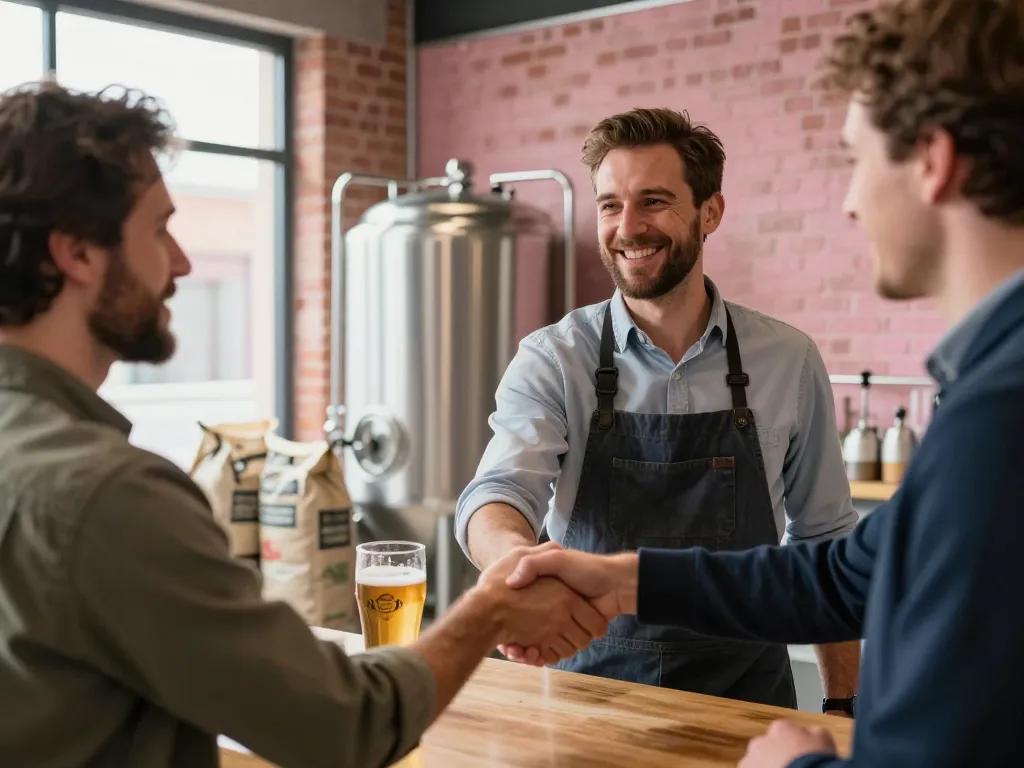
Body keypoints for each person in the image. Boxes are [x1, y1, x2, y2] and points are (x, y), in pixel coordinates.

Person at [0, 81, 610, 768]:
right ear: (77, 253)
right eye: (159, 227)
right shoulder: (104, 495)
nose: (181, 262)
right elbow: (345, 726)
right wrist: (488, 609)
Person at [501, 0, 1024, 765]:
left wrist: (802, 763)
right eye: (612, 203)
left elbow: (952, 736)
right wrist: (617, 582)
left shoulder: (998, 415)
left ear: (932, 161)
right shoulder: (984, 390)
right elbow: (848, 572)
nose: (848, 201)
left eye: (856, 159)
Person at [455, 106, 861, 710]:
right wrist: (520, 566)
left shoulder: (789, 361)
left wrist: (843, 708)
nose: (628, 227)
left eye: (654, 201)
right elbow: (497, 492)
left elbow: (824, 545)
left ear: (710, 212)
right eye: (611, 205)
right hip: (586, 699)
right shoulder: (553, 358)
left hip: (748, 706)